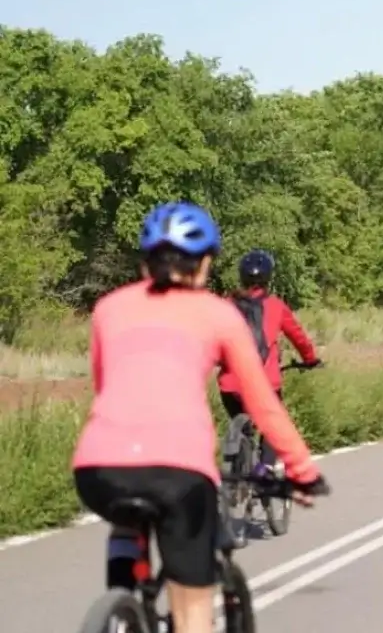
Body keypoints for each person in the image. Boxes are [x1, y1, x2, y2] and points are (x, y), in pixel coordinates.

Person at [71, 202, 328, 633]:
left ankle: (123, 601)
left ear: (144, 260)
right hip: (179, 474)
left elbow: (105, 385)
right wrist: (301, 469)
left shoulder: (108, 308)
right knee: (193, 610)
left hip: (98, 468)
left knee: (125, 517)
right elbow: (263, 403)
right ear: (204, 263)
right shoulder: (216, 313)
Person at [219, 249, 322, 482]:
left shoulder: (226, 305)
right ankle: (263, 469)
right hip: (265, 384)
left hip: (231, 386)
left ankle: (237, 465)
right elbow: (298, 337)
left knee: (239, 416)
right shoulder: (276, 306)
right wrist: (310, 358)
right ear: (268, 278)